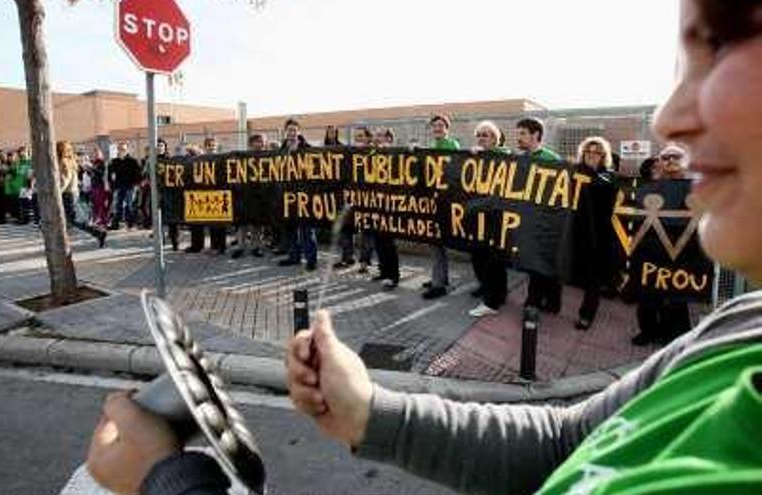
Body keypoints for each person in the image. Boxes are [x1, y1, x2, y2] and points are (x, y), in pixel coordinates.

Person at [87, 3, 762, 493]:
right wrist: (372, 411)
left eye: (726, 39)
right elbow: (564, 443)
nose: (667, 116)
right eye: (682, 59)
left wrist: (169, 479)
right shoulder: (736, 331)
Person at [632, 144, 694, 345]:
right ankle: (648, 331)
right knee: (648, 292)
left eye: (675, 157)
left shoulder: (694, 185)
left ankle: (675, 335)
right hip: (651, 245)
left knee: (676, 294)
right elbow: (639, 204)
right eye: (665, 157)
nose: (670, 161)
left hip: (681, 246)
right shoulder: (651, 185)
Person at [569, 137, 620, 330]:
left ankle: (586, 315)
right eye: (588, 152)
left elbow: (601, 187)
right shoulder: (574, 171)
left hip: (597, 236)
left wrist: (583, 174)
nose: (591, 155)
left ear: (604, 156)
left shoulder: (608, 176)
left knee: (593, 279)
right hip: (574, 232)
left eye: (596, 152)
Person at [515, 117, 564, 314]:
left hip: (548, 223)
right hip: (529, 221)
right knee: (536, 263)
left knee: (543, 264)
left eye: (522, 133)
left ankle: (536, 302)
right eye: (518, 133)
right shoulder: (520, 159)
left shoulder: (551, 159)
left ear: (535, 135)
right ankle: (544, 302)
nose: (518, 137)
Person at [467, 121, 511, 317]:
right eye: (479, 135)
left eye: (486, 135)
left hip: (497, 215)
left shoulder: (505, 155)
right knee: (478, 255)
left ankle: (492, 301)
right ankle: (490, 290)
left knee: (494, 259)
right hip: (478, 214)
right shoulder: (474, 156)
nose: (482, 138)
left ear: (495, 138)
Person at [422, 114, 459, 299]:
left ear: (447, 128)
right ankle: (440, 278)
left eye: (440, 125)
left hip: (445, 201)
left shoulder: (452, 145)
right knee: (435, 244)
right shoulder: (432, 147)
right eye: (434, 125)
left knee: (437, 243)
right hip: (433, 200)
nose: (437, 128)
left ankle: (438, 285)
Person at [277, 118, 317, 270]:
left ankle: (311, 259)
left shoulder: (308, 149)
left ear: (298, 132)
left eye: (294, 130)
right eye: (289, 130)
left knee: (307, 229)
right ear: (285, 132)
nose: (292, 133)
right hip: (287, 196)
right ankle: (294, 257)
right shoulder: (281, 150)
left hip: (304, 195)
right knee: (290, 228)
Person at [333, 126, 373, 271]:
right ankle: (347, 258)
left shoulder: (374, 154)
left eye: (361, 136)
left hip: (367, 198)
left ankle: (364, 262)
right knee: (346, 228)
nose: (358, 139)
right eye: (356, 137)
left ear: (368, 138)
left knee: (366, 231)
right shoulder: (348, 153)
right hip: (349, 197)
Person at [58, 140, 107, 248]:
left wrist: (58, 191)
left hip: (68, 193)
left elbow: (65, 180)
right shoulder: (71, 161)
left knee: (73, 219)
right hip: (72, 192)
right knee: (69, 219)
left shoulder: (64, 162)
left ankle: (98, 232)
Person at [370, 127, 400, 290]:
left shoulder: (395, 154)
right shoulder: (373, 154)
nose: (377, 138)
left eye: (380, 136)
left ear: (389, 139)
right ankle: (384, 271)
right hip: (375, 203)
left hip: (390, 204)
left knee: (388, 241)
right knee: (378, 240)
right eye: (376, 136)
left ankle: (393, 275)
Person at [231, 134, 267, 259]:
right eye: (257, 142)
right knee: (242, 224)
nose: (260, 144)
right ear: (251, 144)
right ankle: (240, 247)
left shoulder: (268, 156)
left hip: (260, 195)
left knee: (257, 224)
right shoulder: (242, 157)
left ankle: (256, 247)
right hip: (244, 194)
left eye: (262, 142)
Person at [109, 142, 142, 230]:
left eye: (123, 149)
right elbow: (110, 174)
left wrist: (136, 184)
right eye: (120, 149)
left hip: (130, 186)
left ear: (127, 150)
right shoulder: (114, 161)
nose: (121, 151)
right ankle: (116, 224)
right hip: (118, 186)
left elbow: (138, 173)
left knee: (129, 205)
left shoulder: (132, 161)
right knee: (117, 205)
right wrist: (111, 184)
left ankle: (130, 223)